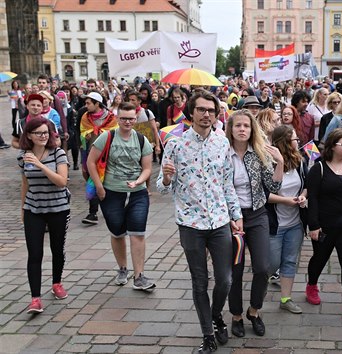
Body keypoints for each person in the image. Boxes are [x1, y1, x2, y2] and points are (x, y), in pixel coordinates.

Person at [157, 91, 243, 352]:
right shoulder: (175, 145)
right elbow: (161, 188)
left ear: (217, 115)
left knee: (225, 279)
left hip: (219, 220)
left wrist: (235, 215)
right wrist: (168, 178)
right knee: (199, 281)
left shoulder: (222, 144)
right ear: (191, 112)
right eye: (201, 110)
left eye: (211, 111)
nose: (206, 115)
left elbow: (227, 184)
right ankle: (207, 333)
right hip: (190, 222)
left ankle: (216, 314)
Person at [226, 110, 284, 338]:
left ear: (252, 130)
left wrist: (279, 162)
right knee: (235, 271)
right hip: (232, 219)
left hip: (257, 215)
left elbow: (274, 186)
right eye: (238, 125)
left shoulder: (258, 153)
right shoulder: (222, 154)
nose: (242, 129)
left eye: (246, 126)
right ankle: (237, 315)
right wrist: (229, 217)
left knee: (263, 267)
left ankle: (254, 310)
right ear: (230, 129)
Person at [86, 102, 155, 291]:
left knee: (138, 232)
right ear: (117, 118)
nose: (127, 122)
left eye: (131, 118)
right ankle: (123, 268)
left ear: (136, 118)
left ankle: (139, 276)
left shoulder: (142, 139)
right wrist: (99, 188)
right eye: (123, 118)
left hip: (137, 193)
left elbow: (148, 168)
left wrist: (138, 181)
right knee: (117, 231)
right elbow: (91, 162)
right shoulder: (106, 137)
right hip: (110, 191)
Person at [305, 129, 342, 321]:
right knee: (319, 259)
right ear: (332, 146)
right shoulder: (319, 169)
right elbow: (312, 198)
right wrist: (313, 226)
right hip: (325, 226)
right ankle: (312, 284)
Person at [18, 118, 71, 314]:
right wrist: (23, 208)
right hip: (34, 209)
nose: (43, 136)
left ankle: (56, 283)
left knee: (57, 249)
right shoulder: (23, 156)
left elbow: (62, 181)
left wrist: (40, 165)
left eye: (46, 133)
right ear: (29, 135)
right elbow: (25, 184)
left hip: (58, 208)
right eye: (38, 133)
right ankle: (35, 299)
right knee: (34, 254)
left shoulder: (59, 153)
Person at [266, 125, 308, 315]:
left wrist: (303, 196)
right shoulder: (267, 162)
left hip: (295, 224)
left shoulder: (299, 160)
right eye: (294, 139)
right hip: (274, 225)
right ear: (284, 141)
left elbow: (306, 185)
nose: (297, 142)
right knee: (271, 263)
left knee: (289, 261)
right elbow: (264, 194)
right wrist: (285, 201)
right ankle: (259, 291)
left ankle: (286, 299)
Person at [78, 92, 118, 225]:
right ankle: (93, 212)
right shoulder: (85, 116)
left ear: (97, 103)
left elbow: (114, 133)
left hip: (107, 156)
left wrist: (100, 133)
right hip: (90, 153)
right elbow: (82, 131)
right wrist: (87, 135)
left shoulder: (111, 117)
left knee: (105, 181)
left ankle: (103, 210)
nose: (86, 105)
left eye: (89, 103)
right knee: (92, 179)